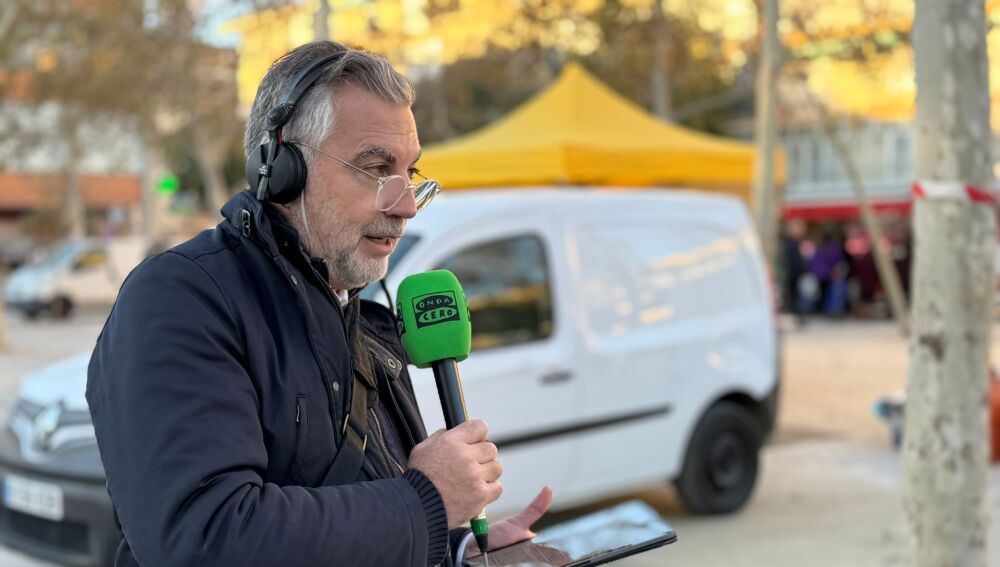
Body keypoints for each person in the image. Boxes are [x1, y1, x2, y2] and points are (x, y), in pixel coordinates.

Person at [87, 41, 552, 567]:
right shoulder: (180, 299)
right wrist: (425, 502)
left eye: (411, 174)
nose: (406, 206)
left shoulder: (365, 323)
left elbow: (364, 508)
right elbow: (205, 538)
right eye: (376, 169)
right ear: (283, 167)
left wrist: (456, 549)